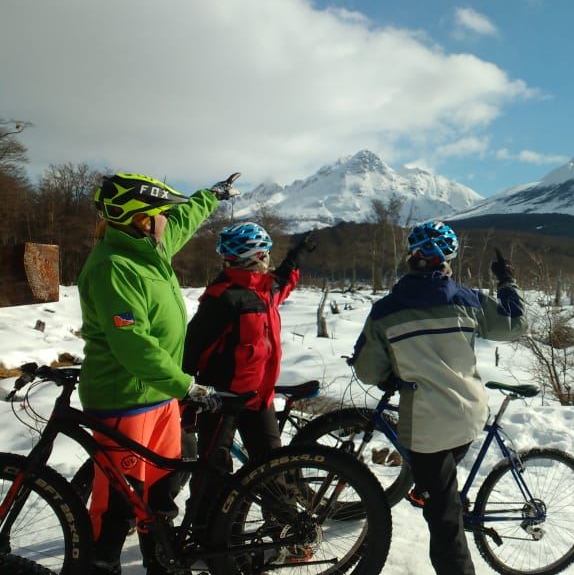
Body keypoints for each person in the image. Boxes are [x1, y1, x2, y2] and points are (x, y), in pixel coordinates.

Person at [78, 173, 238, 574]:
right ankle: (102, 563)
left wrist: (211, 196)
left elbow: (185, 218)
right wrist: (189, 387)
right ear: (141, 220)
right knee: (119, 502)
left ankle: (161, 562)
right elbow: (134, 346)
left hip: (161, 396)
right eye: (160, 213)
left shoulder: (150, 248)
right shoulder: (114, 266)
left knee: (162, 491)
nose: (168, 219)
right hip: (125, 399)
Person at [349, 220, 526, 575]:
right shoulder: (469, 300)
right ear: (449, 260)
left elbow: (368, 370)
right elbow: (516, 326)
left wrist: (389, 375)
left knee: (445, 524)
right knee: (441, 484)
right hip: (470, 414)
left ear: (410, 257)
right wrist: (506, 282)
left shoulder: (386, 311)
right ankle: (431, 490)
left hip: (427, 425)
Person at [182, 222, 316, 533]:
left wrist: (297, 255)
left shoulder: (265, 289)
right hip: (222, 401)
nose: (269, 259)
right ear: (255, 257)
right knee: (213, 471)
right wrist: (187, 398)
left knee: (272, 465)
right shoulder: (223, 299)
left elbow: (284, 280)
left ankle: (284, 528)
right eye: (266, 254)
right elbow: (190, 351)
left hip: (260, 398)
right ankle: (204, 534)